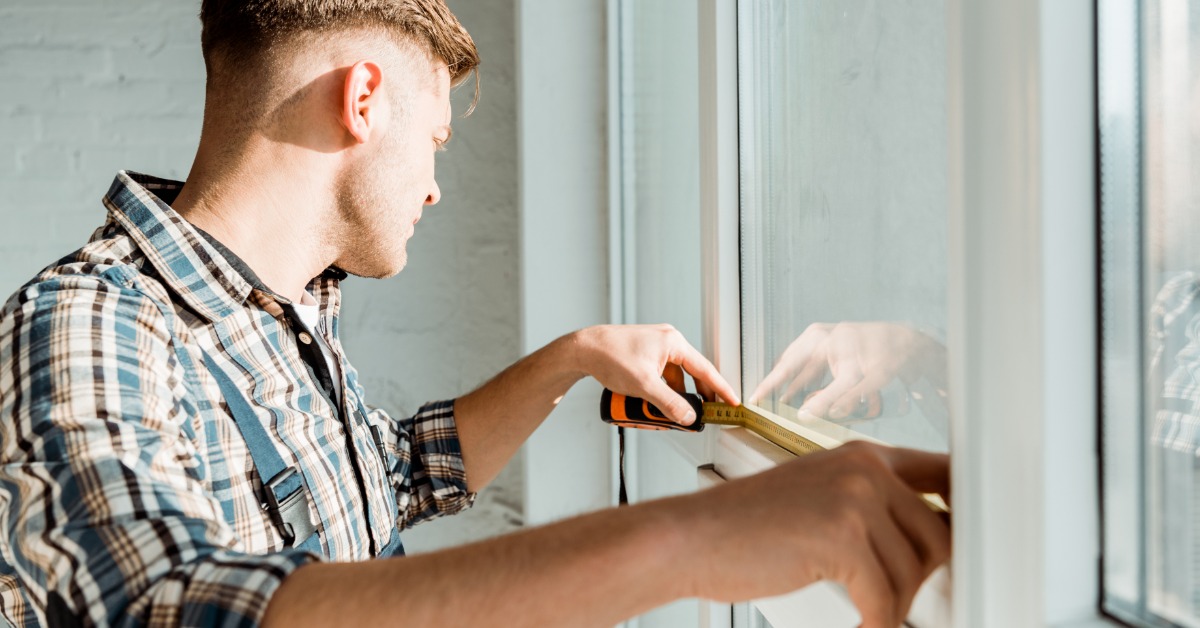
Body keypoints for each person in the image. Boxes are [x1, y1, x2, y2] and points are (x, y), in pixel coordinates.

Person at [0, 1, 951, 626]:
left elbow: (399, 474)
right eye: (438, 141)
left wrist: (573, 358)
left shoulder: (277, 316)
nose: (435, 188)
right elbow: (157, 603)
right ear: (365, 100)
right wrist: (695, 540)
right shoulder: (85, 326)